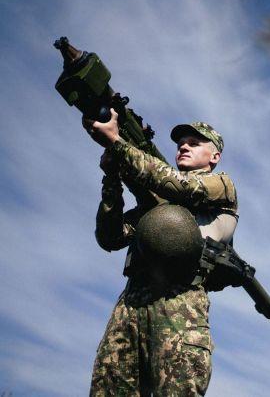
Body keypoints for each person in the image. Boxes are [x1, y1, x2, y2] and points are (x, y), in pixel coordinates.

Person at [83, 109, 238, 395]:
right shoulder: (158, 205)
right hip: (130, 306)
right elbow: (110, 237)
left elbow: (179, 185)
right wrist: (112, 180)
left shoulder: (221, 186)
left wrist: (117, 144)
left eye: (194, 142)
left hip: (180, 307)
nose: (184, 146)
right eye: (181, 143)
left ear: (214, 157)